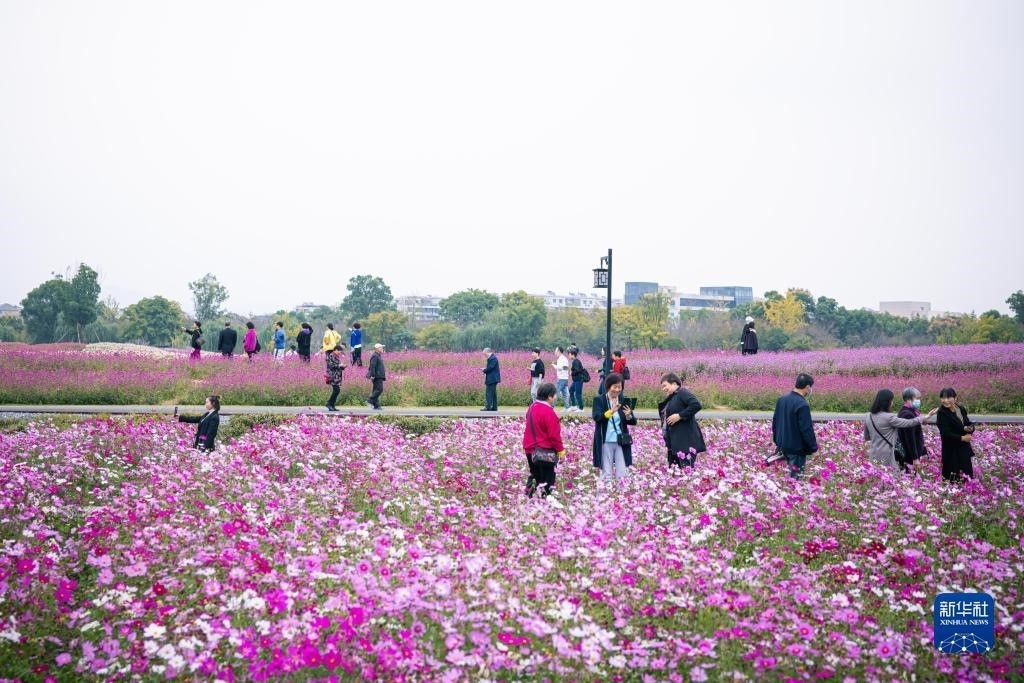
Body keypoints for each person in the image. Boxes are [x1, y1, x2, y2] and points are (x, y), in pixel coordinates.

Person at [863, 389, 936, 472]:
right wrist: (926, 417)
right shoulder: (889, 417)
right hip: (887, 454)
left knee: (876, 476)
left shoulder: (868, 416)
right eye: (891, 400)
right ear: (887, 402)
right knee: (890, 476)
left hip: (874, 453)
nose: (892, 403)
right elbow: (909, 423)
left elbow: (867, 437)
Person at [523, 382, 566, 499]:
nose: (556, 397)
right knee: (548, 478)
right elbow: (554, 435)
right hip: (544, 450)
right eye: (555, 395)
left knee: (535, 476)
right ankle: (546, 500)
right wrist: (561, 451)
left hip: (529, 448)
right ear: (549, 397)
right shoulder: (548, 411)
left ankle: (528, 499)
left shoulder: (532, 407)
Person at [591, 373, 637, 483]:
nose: (617, 390)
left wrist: (628, 415)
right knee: (606, 471)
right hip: (605, 441)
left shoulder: (622, 400)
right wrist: (611, 411)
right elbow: (597, 417)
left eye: (619, 387)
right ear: (608, 386)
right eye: (615, 387)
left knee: (622, 471)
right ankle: (604, 492)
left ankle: (622, 492)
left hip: (620, 441)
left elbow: (633, 421)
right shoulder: (599, 400)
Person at [771, 373, 819, 478]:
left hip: (782, 447)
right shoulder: (802, 404)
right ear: (807, 387)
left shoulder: (782, 399)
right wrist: (814, 448)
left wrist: (777, 441)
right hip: (796, 449)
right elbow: (806, 429)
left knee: (782, 479)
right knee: (795, 481)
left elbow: (775, 423)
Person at [657, 372, 707, 470]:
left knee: (685, 472)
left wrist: (680, 416)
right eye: (662, 387)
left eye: (665, 386)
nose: (663, 389)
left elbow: (696, 405)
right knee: (674, 473)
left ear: (674, 383)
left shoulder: (682, 392)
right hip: (675, 444)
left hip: (685, 443)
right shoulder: (672, 397)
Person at [936, 387, 975, 483]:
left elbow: (967, 422)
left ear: (955, 398)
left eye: (948, 397)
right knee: (952, 477)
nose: (945, 400)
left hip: (963, 447)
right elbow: (945, 433)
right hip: (951, 448)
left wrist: (970, 428)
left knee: (966, 475)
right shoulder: (941, 412)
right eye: (943, 398)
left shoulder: (960, 409)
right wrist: (962, 438)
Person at [896, 387, 928, 473]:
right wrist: (915, 458)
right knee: (909, 477)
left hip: (909, 454)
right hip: (909, 456)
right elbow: (910, 438)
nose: (919, 401)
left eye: (919, 398)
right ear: (908, 399)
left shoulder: (909, 411)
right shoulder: (907, 414)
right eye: (917, 398)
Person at [324, 343, 347, 411]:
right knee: (336, 390)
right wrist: (339, 365)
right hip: (332, 376)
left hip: (337, 376)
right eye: (339, 351)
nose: (340, 352)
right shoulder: (331, 356)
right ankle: (329, 403)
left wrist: (343, 366)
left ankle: (332, 405)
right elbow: (331, 366)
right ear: (335, 350)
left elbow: (337, 366)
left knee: (337, 391)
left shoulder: (336, 356)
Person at [366, 343, 386, 410]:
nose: (382, 349)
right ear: (377, 349)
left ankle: (376, 406)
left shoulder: (378, 355)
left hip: (378, 375)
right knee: (379, 389)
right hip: (377, 376)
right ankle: (370, 400)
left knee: (376, 390)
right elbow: (372, 366)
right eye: (381, 348)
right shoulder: (375, 356)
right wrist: (373, 375)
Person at [552, 346, 571, 411]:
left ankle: (551, 407)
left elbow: (560, 368)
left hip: (561, 378)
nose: (555, 352)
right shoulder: (565, 358)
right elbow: (566, 368)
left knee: (556, 393)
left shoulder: (560, 359)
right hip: (565, 378)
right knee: (565, 394)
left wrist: (553, 365)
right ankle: (567, 407)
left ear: (559, 351)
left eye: (556, 350)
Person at [568, 348, 587, 413]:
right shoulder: (575, 361)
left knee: (578, 394)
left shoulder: (576, 361)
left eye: (569, 354)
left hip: (579, 380)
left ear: (573, 355)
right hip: (576, 380)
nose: (568, 356)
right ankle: (573, 406)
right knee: (571, 390)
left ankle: (581, 408)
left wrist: (571, 373)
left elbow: (577, 370)